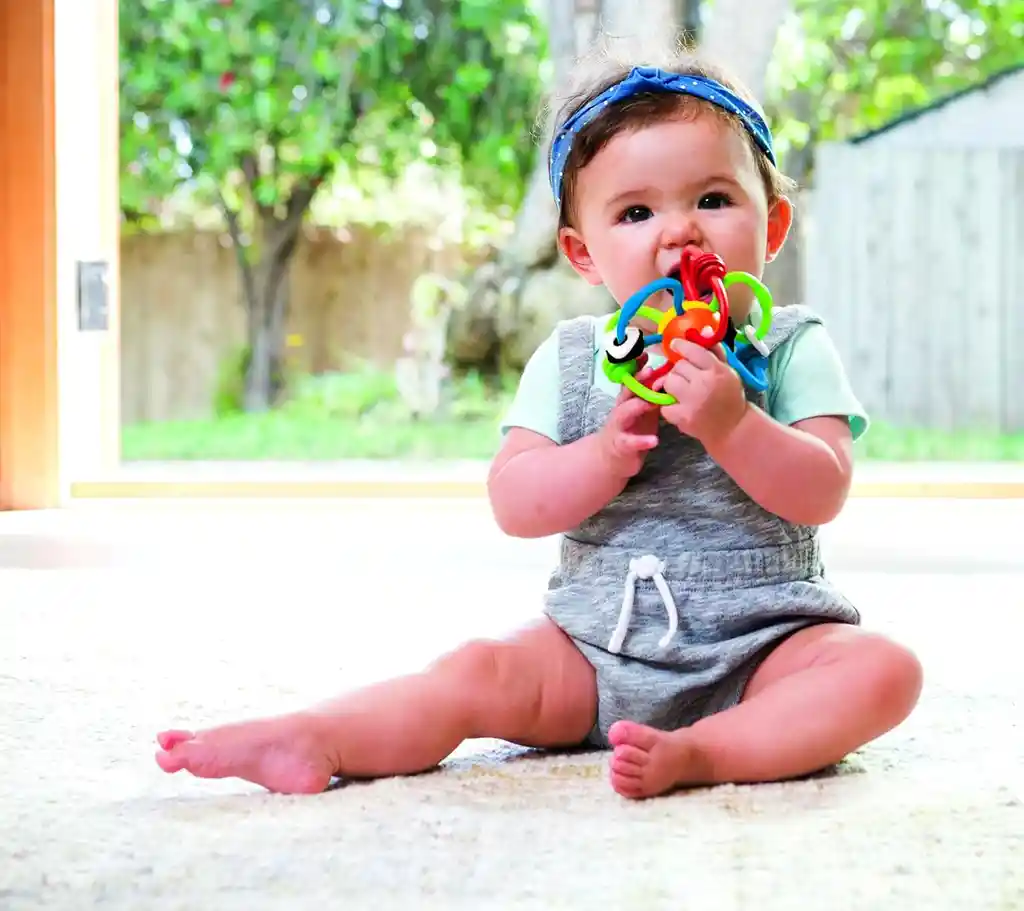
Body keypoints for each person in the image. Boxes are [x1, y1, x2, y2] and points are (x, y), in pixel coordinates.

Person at [154, 44, 923, 800]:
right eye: (636, 211)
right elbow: (515, 501)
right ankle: (315, 735)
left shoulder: (789, 343)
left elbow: (822, 489)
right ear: (583, 254)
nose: (680, 232)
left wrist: (734, 425)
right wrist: (604, 455)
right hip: (593, 654)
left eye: (714, 200)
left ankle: (705, 750)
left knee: (883, 670)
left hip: (763, 653)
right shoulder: (574, 358)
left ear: (775, 222)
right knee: (473, 670)